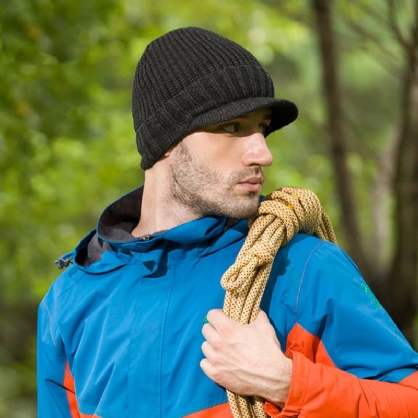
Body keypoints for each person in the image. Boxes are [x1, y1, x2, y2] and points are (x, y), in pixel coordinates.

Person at [37, 27, 418, 418]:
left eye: (262, 128)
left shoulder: (303, 267)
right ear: (167, 138)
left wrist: (287, 385)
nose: (263, 153)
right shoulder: (70, 300)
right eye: (232, 127)